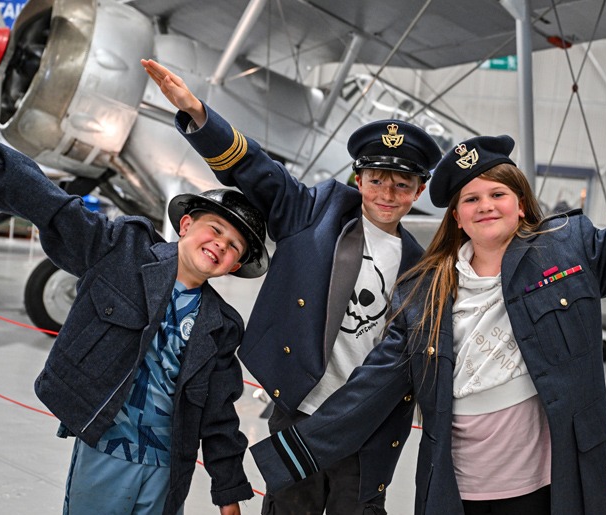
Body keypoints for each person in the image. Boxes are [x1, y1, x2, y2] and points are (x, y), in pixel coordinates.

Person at [248, 134, 606, 514]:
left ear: (520, 203)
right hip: (461, 488)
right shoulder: (425, 290)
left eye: (498, 192)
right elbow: (371, 389)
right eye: (469, 199)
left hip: (553, 484)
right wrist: (290, 456)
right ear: (456, 216)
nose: (485, 205)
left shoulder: (571, 250)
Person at [0, 97, 268, 515]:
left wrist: (229, 492)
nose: (220, 244)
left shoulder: (222, 324)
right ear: (185, 225)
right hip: (107, 451)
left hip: (167, 469)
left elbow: (219, 413)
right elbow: (48, 203)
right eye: (215, 229)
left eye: (234, 246)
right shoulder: (122, 250)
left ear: (236, 265)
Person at [142, 59, 443, 514]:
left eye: (402, 185)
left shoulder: (423, 267)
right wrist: (198, 115)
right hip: (300, 410)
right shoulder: (314, 213)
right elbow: (257, 168)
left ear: (418, 192)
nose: (387, 193)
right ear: (358, 179)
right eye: (377, 180)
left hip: (368, 423)